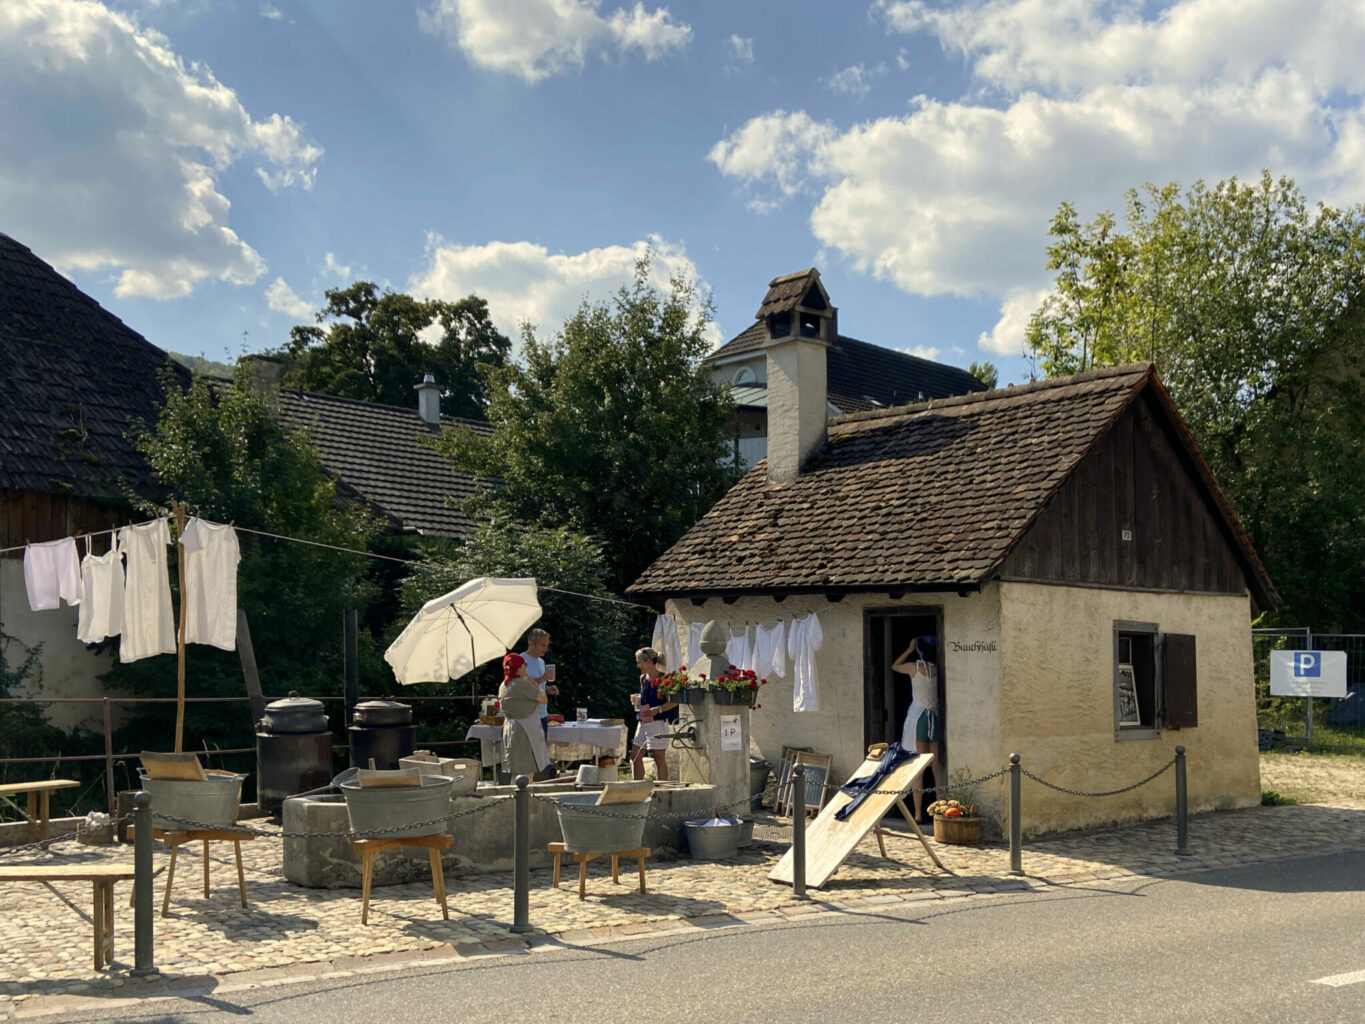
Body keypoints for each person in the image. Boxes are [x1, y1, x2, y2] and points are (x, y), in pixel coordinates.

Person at [892, 635, 940, 823]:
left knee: (918, 766)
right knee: (936, 767)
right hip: (934, 717)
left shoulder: (914, 667)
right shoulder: (937, 669)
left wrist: (909, 649)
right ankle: (940, 808)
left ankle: (918, 813)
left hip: (919, 717)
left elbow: (895, 666)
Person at [499, 652, 556, 782]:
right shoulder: (521, 683)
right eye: (524, 664)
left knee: (517, 771)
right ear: (519, 667)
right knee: (526, 772)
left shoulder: (504, 685)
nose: (526, 666)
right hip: (525, 731)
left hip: (511, 730)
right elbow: (543, 698)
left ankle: (516, 799)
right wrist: (529, 679)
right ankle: (522, 801)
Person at [630, 647, 677, 782]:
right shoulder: (643, 678)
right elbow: (648, 697)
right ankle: (637, 787)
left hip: (658, 722)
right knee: (635, 756)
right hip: (643, 721)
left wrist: (657, 709)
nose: (638, 666)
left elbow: (674, 702)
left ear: (649, 661)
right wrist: (638, 698)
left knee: (658, 757)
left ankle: (663, 788)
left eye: (639, 662)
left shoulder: (664, 678)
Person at [520, 628, 557, 738]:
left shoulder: (542, 662)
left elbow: (537, 687)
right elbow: (520, 687)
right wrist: (542, 678)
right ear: (531, 643)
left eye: (546, 645)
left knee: (541, 752)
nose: (545, 649)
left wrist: (547, 689)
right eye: (542, 645)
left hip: (542, 714)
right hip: (527, 715)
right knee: (528, 753)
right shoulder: (521, 660)